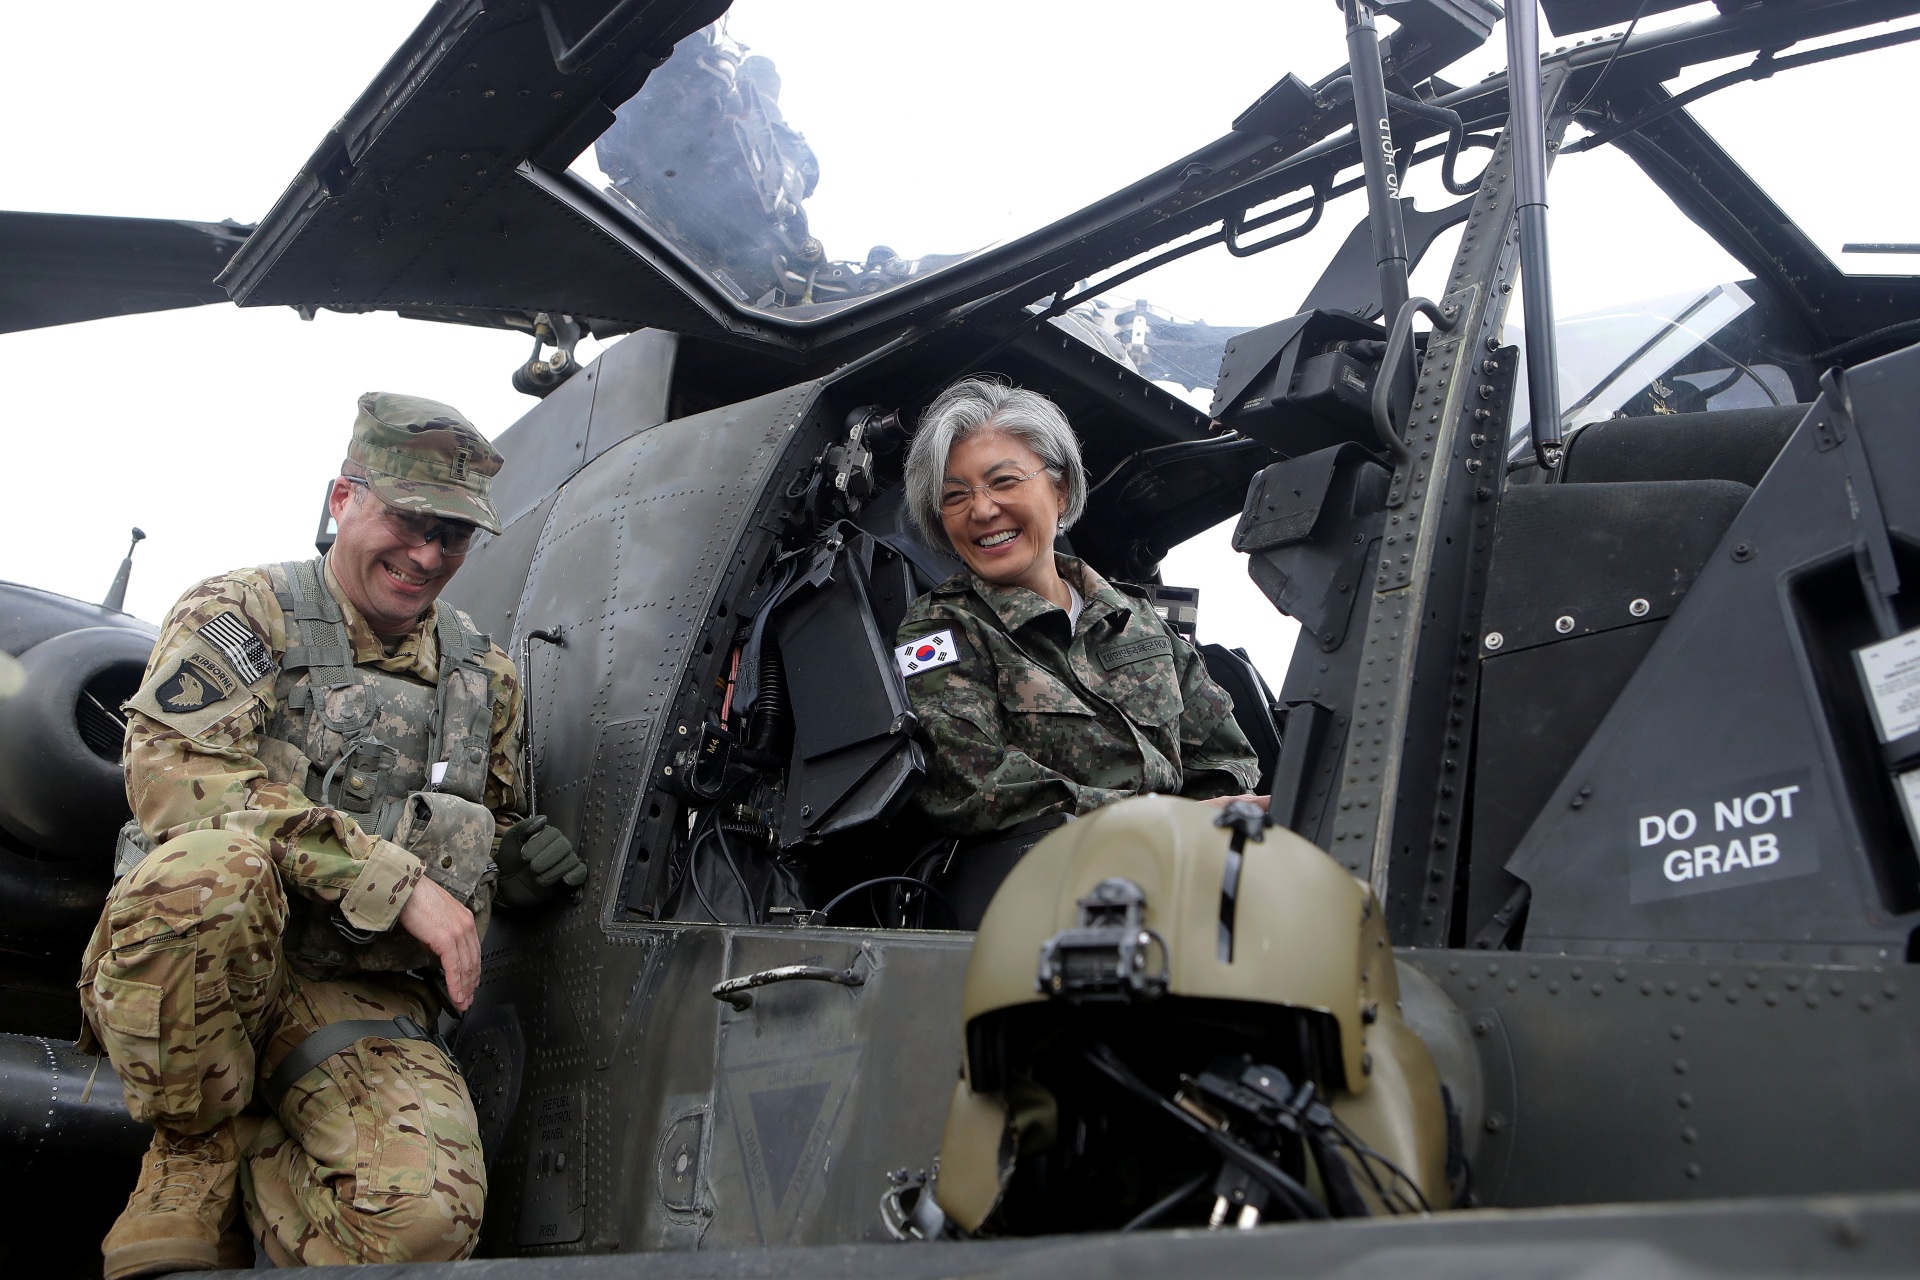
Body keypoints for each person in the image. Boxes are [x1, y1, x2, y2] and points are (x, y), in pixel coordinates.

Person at [77, 394, 586, 1276]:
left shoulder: (484, 677)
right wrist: (392, 880)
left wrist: (507, 865)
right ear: (342, 499)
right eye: (408, 521)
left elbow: (492, 819)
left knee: (424, 1226)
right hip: (204, 967)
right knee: (215, 870)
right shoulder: (247, 611)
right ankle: (191, 1150)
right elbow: (173, 780)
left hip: (359, 993)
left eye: (453, 536)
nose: (426, 555)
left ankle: (262, 1160)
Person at [893, 377, 1263, 845]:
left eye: (1004, 481)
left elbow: (1224, 755)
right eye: (955, 496)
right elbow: (972, 785)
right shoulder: (940, 633)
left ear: (1061, 490)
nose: (982, 510)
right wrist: (1161, 824)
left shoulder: (1137, 617)